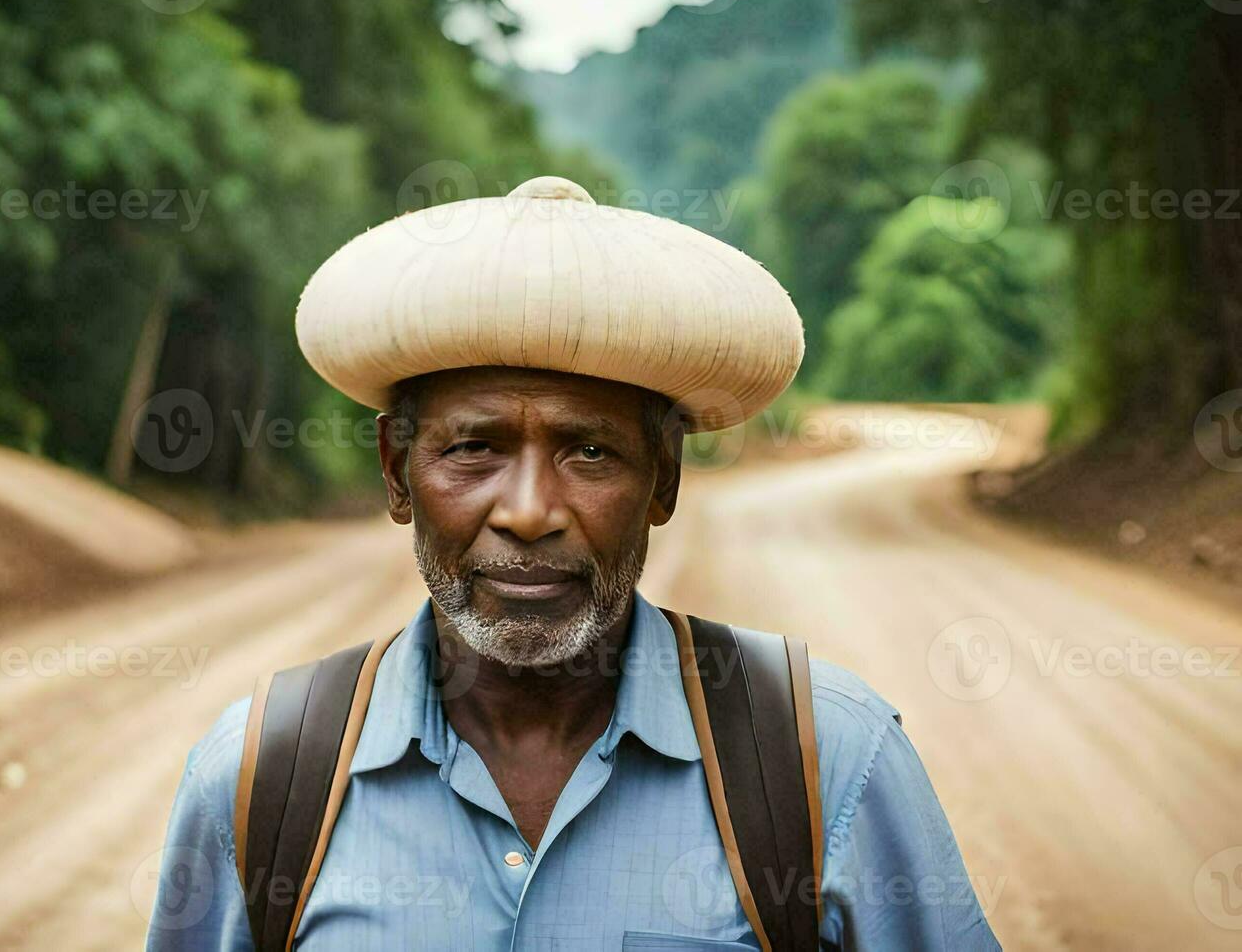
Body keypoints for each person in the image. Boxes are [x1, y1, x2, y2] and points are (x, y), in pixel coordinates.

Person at [146, 176, 1000, 950]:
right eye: (474, 448)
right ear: (395, 470)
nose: (528, 512)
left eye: (590, 452)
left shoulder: (829, 762)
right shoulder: (263, 780)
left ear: (663, 480)